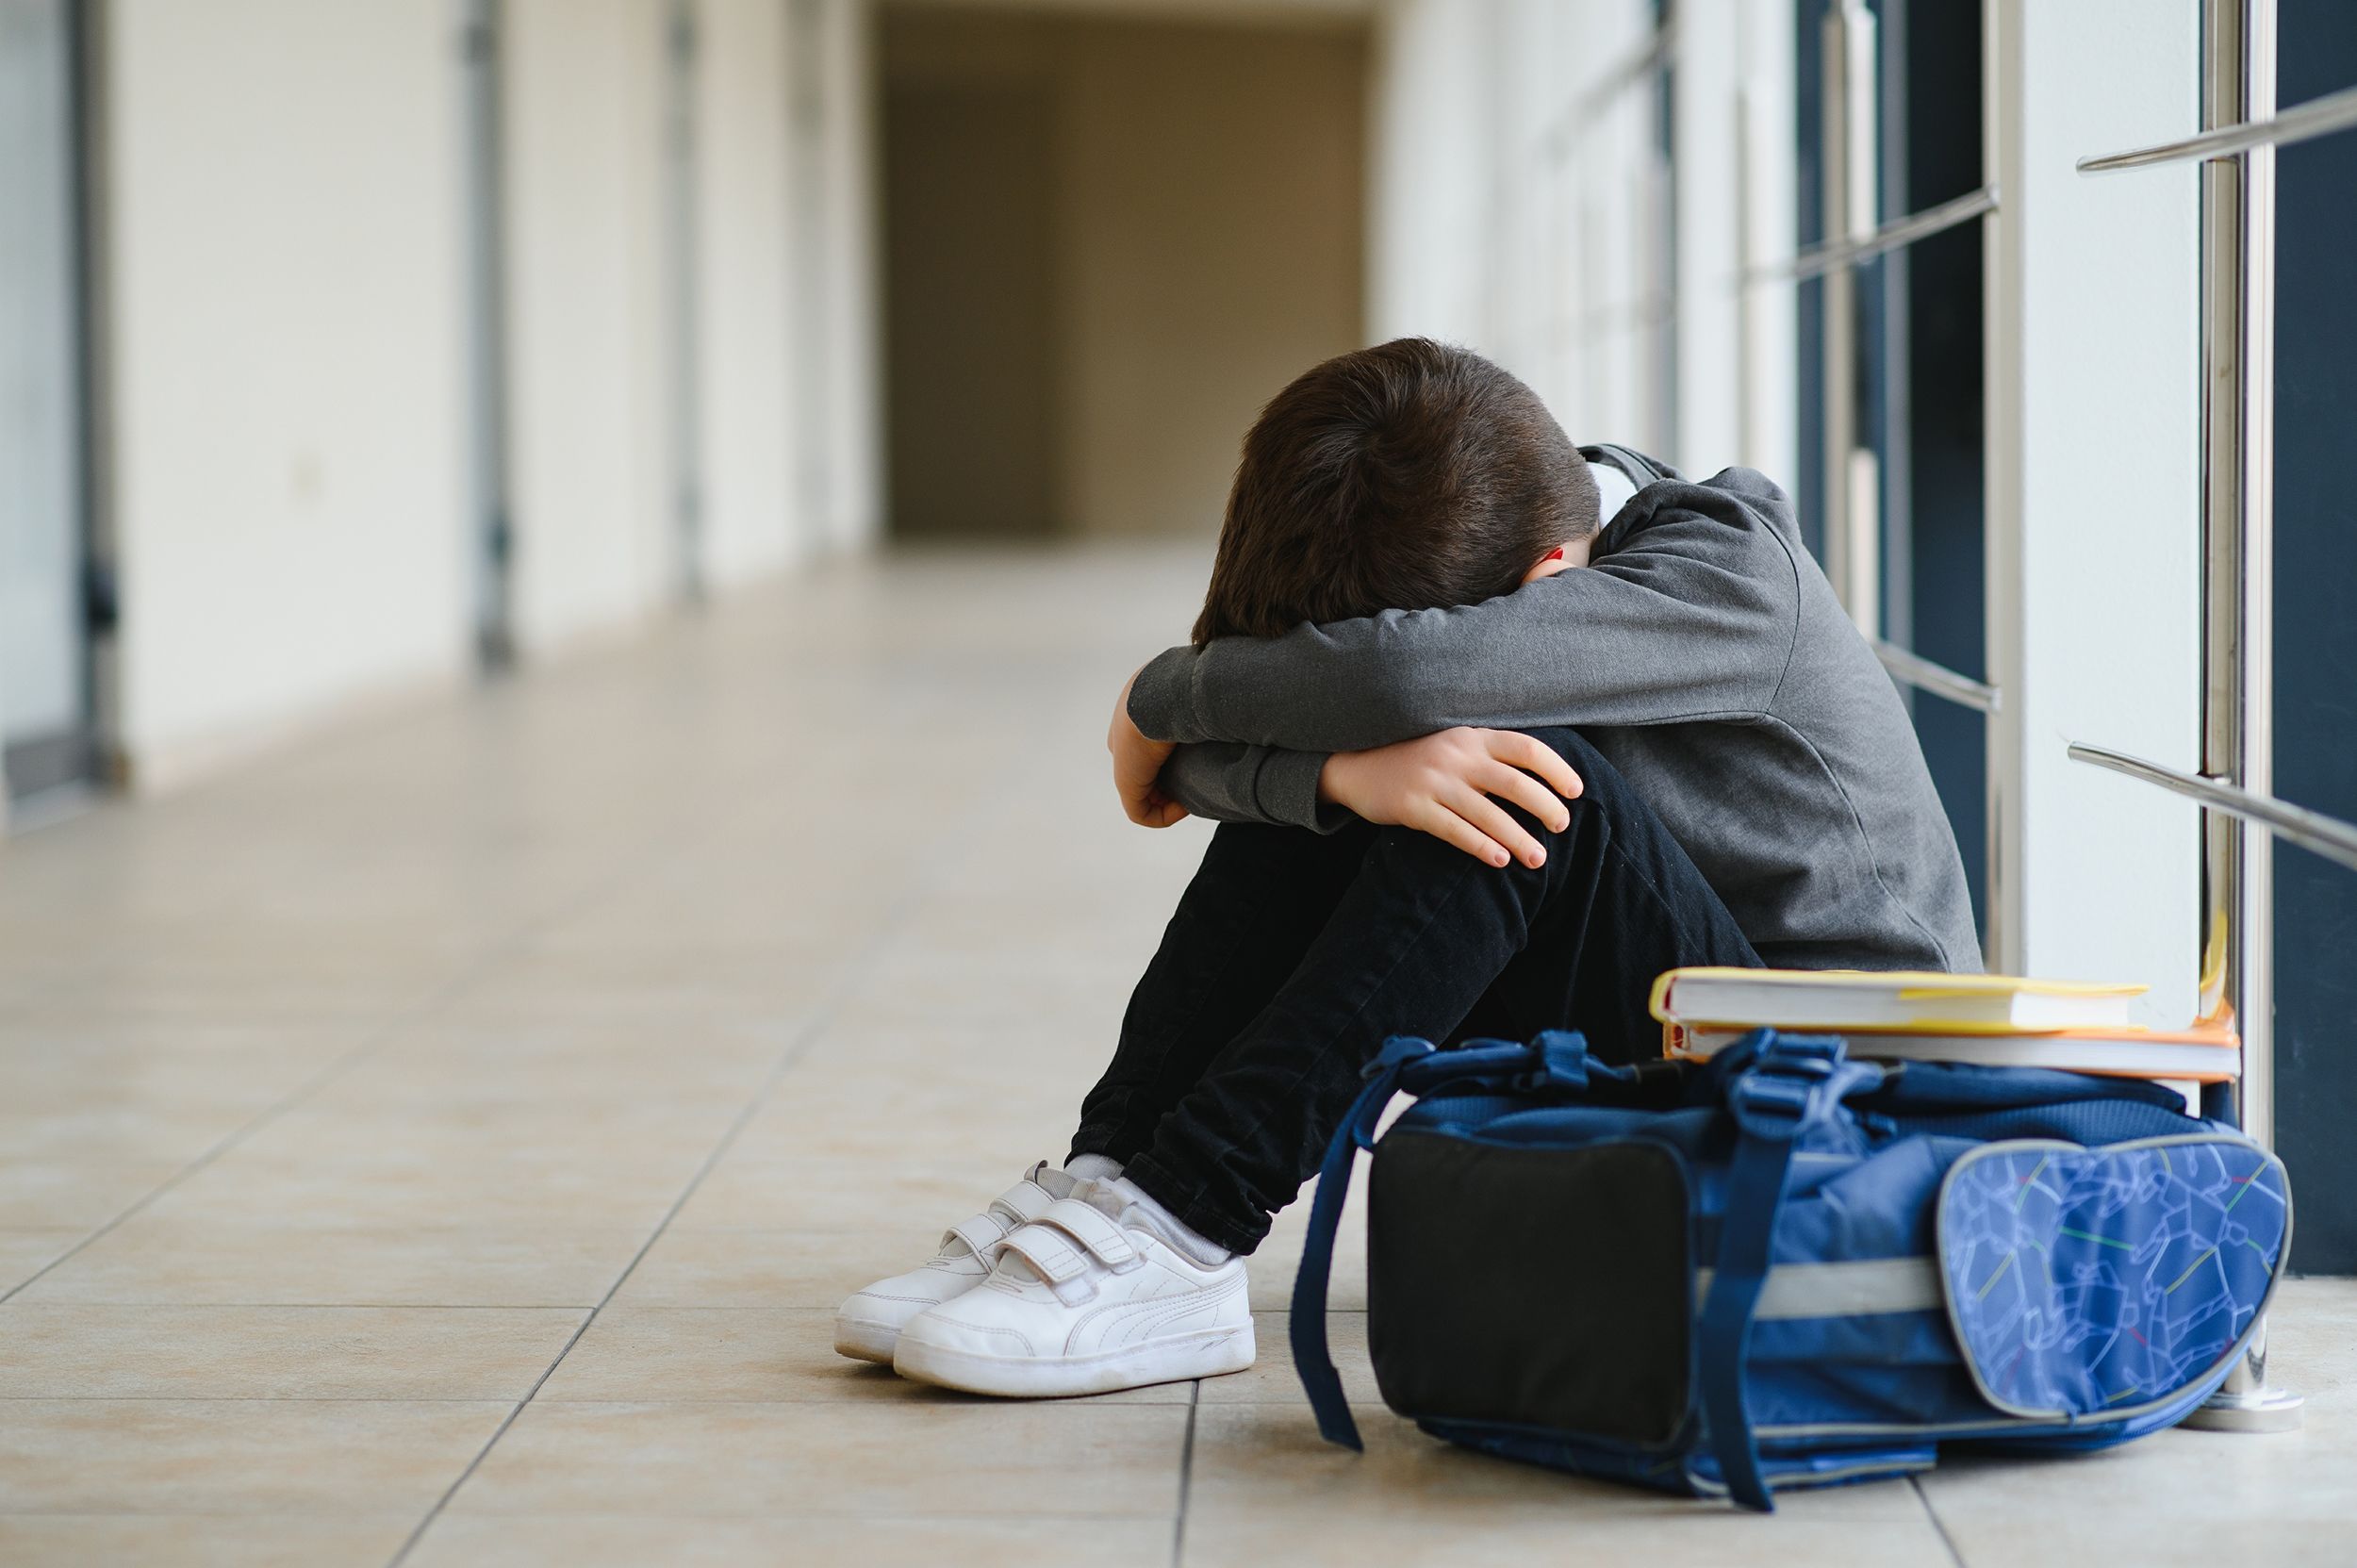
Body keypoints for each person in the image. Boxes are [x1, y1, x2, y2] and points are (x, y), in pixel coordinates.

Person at [835, 338, 1978, 1399]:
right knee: (1402, 775)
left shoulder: (1723, 573)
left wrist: (1163, 690)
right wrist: (1335, 780)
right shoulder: (1521, 564)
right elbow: (1293, 742)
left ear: (1539, 583)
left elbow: (1388, 688)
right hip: (1670, 1027)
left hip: (1839, 1098)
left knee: (1529, 789)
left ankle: (1190, 1222)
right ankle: (1117, 1179)